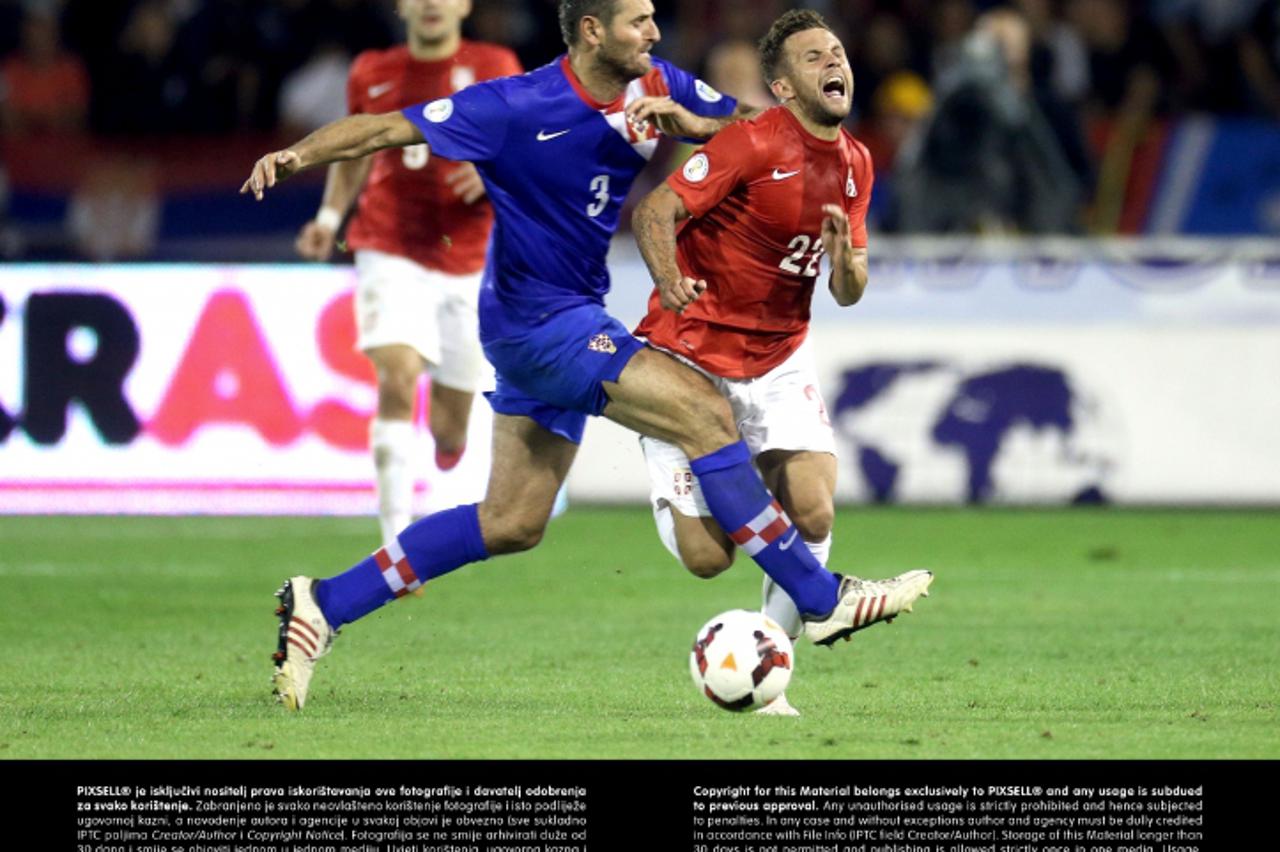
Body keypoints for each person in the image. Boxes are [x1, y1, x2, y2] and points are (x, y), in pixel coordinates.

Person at [242, 0, 933, 712]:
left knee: (512, 521)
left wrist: (697, 126)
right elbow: (391, 127)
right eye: (639, 21)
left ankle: (324, 603)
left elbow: (760, 133)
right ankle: (825, 599)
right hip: (535, 321)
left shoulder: (655, 82)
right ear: (594, 31)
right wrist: (297, 155)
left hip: (570, 312)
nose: (656, 33)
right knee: (702, 410)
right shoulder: (515, 104)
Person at [630, 9, 878, 717]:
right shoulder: (750, 141)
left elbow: (849, 289)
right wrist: (670, 278)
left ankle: (770, 677)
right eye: (812, 57)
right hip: (689, 358)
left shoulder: (856, 162)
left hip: (775, 359)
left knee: (815, 506)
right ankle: (667, 461)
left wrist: (845, 265)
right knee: (709, 560)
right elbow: (655, 212)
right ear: (784, 86)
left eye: (836, 50)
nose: (834, 61)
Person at [294, 0, 522, 546]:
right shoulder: (372, 70)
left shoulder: (495, 65)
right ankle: (394, 540)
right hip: (388, 244)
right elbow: (356, 152)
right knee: (395, 377)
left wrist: (492, 173)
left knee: (449, 429)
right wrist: (329, 218)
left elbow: (526, 145)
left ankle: (446, 447)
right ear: (401, 7)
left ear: (466, 5)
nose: (431, 5)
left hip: (468, 257)